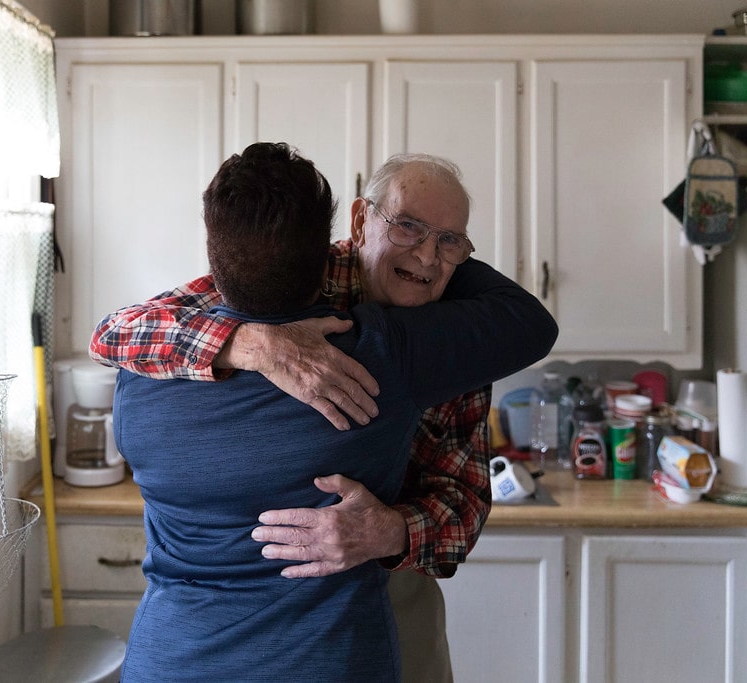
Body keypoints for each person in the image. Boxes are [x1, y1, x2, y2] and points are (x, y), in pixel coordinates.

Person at [111, 142, 557, 682]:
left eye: (451, 241)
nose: (426, 257)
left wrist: (389, 531)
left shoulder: (459, 335)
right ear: (360, 220)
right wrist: (251, 344)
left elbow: (464, 505)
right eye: (408, 226)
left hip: (391, 587)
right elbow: (120, 331)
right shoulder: (294, 272)